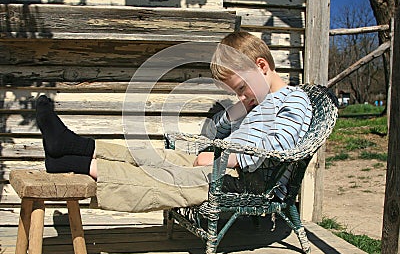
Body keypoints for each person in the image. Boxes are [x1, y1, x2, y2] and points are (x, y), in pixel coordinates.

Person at [35, 31, 312, 212]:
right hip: (223, 166)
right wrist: (237, 110)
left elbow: (279, 146)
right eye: (235, 91)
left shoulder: (294, 100)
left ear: (262, 67)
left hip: (248, 180)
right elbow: (212, 130)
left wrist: (226, 157)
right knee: (157, 157)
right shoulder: (256, 102)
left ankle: (75, 164)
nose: (240, 95)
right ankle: (71, 146)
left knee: (165, 179)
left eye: (241, 87)